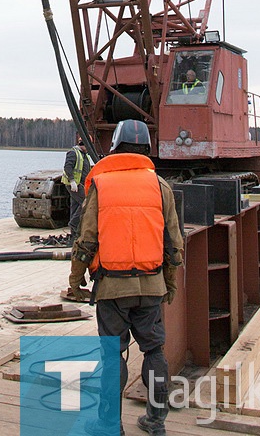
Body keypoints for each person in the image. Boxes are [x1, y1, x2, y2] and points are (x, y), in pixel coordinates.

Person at [69, 119, 184, 436]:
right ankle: (156, 422)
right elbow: (174, 244)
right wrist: (169, 283)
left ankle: (109, 424)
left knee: (112, 354)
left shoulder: (102, 186)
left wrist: (74, 278)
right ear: (146, 149)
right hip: (151, 286)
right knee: (154, 351)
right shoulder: (161, 187)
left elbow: (87, 239)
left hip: (111, 289)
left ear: (115, 147)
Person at [61, 136, 92, 239]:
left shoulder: (84, 155)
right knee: (86, 203)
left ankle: (74, 234)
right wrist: (72, 180)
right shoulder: (73, 153)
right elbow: (67, 167)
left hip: (80, 185)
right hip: (74, 185)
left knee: (75, 206)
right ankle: (74, 224)